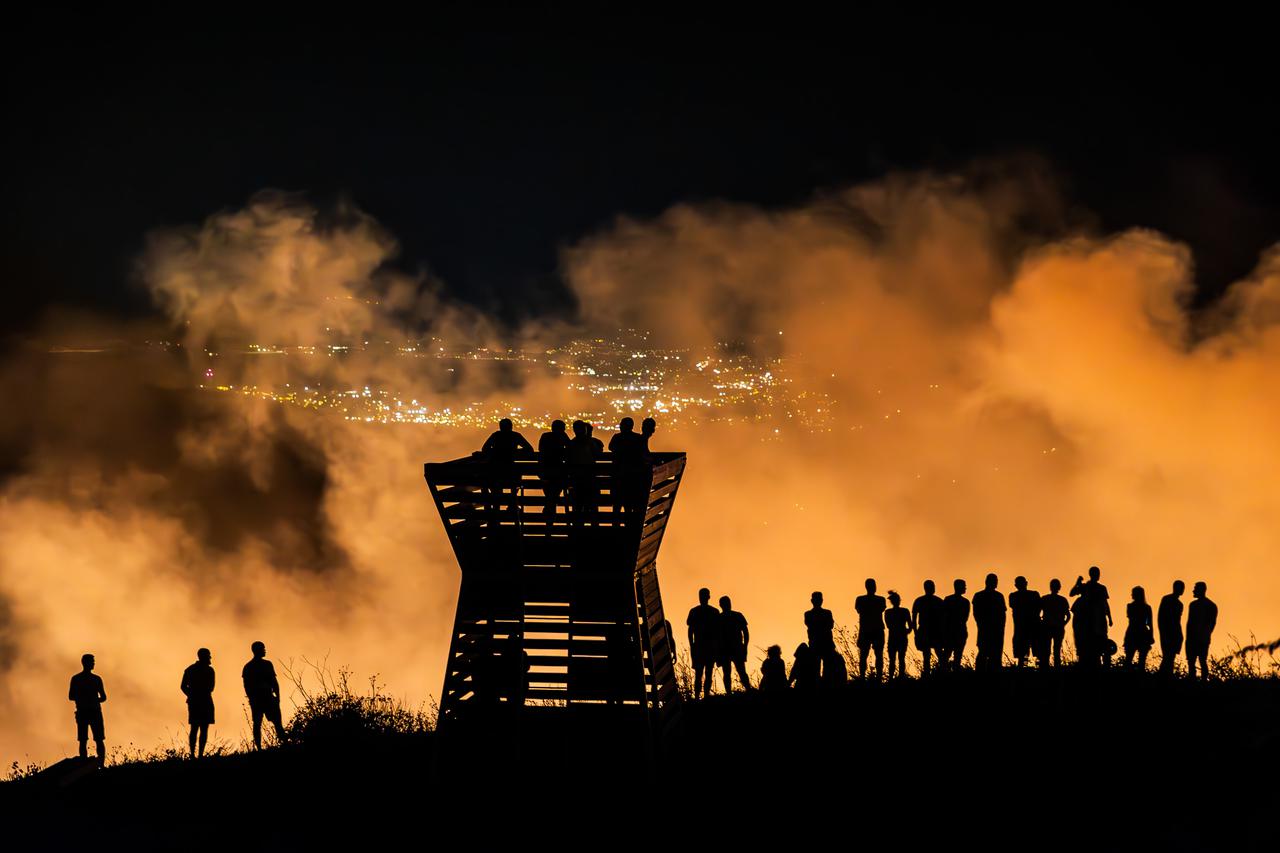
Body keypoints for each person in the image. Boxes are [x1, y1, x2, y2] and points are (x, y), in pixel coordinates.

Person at [481, 418, 534, 512]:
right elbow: (529, 449)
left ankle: (496, 508)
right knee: (515, 480)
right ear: (511, 426)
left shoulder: (495, 435)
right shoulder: (515, 436)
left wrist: (495, 452)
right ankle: (512, 503)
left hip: (495, 470)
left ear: (500, 427)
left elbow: (484, 449)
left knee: (496, 487)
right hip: (510, 470)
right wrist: (515, 452)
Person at [243, 641, 287, 750]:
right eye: (263, 648)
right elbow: (274, 682)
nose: (264, 650)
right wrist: (277, 698)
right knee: (269, 723)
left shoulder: (249, 666)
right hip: (264, 699)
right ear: (257, 650)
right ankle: (281, 745)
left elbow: (247, 687)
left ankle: (261, 748)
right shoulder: (265, 665)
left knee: (261, 723)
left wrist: (277, 697)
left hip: (262, 699)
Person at [68, 653, 106, 766]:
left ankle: (100, 764)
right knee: (85, 740)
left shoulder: (92, 679)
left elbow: (103, 697)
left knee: (95, 739)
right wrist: (90, 699)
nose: (93, 664)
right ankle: (86, 765)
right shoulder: (80, 679)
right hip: (86, 712)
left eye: (93, 662)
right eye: (92, 662)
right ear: (85, 663)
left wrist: (92, 700)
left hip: (91, 712)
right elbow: (71, 696)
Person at [1070, 566, 1112, 668]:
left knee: (1100, 643)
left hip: (1099, 620)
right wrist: (1078, 583)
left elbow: (1105, 603)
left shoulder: (1101, 588)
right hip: (1087, 621)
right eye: (1096, 573)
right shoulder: (1085, 587)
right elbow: (1071, 593)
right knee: (1088, 644)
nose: (1097, 575)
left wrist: (1110, 617)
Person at [607, 417, 646, 524]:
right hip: (632, 478)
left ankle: (616, 525)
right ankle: (628, 525)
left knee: (617, 506)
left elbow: (611, 447)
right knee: (628, 505)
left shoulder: (617, 437)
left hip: (618, 477)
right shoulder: (637, 438)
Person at [181, 648, 216, 758]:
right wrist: (192, 695)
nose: (210, 658)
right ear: (204, 656)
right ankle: (197, 754)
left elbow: (183, 687)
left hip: (197, 701)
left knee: (196, 728)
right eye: (208, 655)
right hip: (203, 701)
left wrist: (191, 695)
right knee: (200, 728)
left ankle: (196, 754)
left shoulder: (190, 669)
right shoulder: (209, 670)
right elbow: (211, 687)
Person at [568, 420, 603, 522]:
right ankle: (593, 527)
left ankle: (578, 528)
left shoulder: (571, 444)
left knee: (577, 506)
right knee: (592, 505)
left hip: (576, 480)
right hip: (589, 479)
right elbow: (597, 454)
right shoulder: (591, 443)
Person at [687, 588, 719, 699]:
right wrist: (692, 645)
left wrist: (692, 644)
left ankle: (703, 696)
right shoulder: (712, 612)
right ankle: (699, 696)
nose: (702, 598)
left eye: (703, 596)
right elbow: (690, 630)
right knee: (701, 673)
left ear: (708, 597)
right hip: (701, 647)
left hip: (706, 647)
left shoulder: (712, 612)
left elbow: (718, 631)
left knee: (705, 672)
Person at [972, 573, 1007, 672]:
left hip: (993, 629)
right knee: (984, 652)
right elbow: (976, 613)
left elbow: (1002, 614)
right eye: (995, 581)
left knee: (991, 654)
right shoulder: (983, 596)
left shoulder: (997, 596)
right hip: (987, 629)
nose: (996, 583)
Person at [717, 595, 751, 693]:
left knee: (738, 671)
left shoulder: (722, 618)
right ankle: (742, 691)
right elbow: (745, 632)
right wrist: (744, 646)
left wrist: (745, 645)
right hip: (728, 649)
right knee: (731, 672)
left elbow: (745, 632)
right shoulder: (733, 616)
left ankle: (745, 690)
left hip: (734, 648)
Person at [854, 578, 887, 680]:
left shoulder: (860, 600)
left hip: (867, 629)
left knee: (867, 655)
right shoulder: (880, 600)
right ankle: (874, 677)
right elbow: (881, 609)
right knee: (870, 655)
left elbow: (859, 610)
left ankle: (866, 677)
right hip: (873, 630)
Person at [911, 580, 945, 676]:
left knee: (930, 654)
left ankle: (933, 673)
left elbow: (914, 617)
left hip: (931, 630)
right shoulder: (938, 601)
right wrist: (916, 631)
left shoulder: (920, 600)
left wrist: (916, 631)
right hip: (929, 630)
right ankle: (935, 673)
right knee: (932, 654)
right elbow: (914, 617)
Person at [1185, 582, 1218, 681]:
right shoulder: (1210, 605)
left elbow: (1190, 623)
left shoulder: (1196, 605)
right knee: (1199, 661)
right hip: (1200, 638)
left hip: (1197, 638)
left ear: (1201, 590)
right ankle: (1198, 680)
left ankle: (1198, 680)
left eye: (1195, 589)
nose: (1193, 591)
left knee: (1197, 661)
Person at [537, 419, 570, 515]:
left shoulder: (545, 436)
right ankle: (550, 509)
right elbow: (570, 447)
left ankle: (549, 510)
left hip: (545, 471)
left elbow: (540, 449)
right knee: (555, 493)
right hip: (558, 471)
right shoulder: (562, 436)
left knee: (549, 493)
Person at [1008, 576, 1042, 668]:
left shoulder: (1014, 596)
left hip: (1025, 628)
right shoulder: (1033, 594)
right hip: (1029, 627)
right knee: (1028, 654)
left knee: (1027, 655)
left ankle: (1026, 670)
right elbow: (1039, 607)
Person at [804, 591, 836, 680]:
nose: (818, 601)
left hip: (824, 644)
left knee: (828, 669)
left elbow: (830, 625)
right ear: (812, 600)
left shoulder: (826, 612)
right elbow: (811, 625)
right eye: (817, 599)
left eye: (820, 599)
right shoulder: (809, 614)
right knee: (816, 669)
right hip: (817, 644)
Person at [1157, 580, 1185, 676]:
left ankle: (1166, 676)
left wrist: (1180, 636)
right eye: (1181, 588)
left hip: (1175, 633)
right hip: (1167, 633)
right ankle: (1163, 676)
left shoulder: (1180, 604)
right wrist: (1162, 632)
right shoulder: (1166, 599)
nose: (1182, 590)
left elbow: (1178, 621)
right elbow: (1161, 618)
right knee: (1167, 657)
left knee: (1170, 657)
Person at [1040, 579, 1071, 667]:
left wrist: (1041, 622)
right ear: (1059, 587)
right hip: (1057, 627)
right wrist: (1063, 624)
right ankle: (1056, 667)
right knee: (1056, 649)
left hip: (1048, 627)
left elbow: (1037, 612)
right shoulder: (1062, 600)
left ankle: (1045, 667)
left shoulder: (1045, 598)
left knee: (1047, 649)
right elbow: (1068, 616)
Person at [942, 579, 970, 671]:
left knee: (947, 654)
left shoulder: (948, 599)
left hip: (950, 631)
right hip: (959, 631)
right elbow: (965, 618)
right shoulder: (965, 602)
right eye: (964, 586)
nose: (965, 587)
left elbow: (944, 616)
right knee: (957, 656)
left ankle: (944, 672)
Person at [1123, 587, 1154, 670]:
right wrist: (1151, 636)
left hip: (1132, 632)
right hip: (1142, 633)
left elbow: (1132, 619)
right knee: (1141, 661)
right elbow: (1150, 624)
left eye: (1133, 593)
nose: (1131, 595)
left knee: (1129, 659)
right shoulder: (1147, 608)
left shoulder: (1130, 606)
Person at [884, 591, 912, 679]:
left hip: (893, 637)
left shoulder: (888, 612)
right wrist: (906, 631)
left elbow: (889, 626)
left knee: (893, 659)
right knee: (900, 659)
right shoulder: (904, 611)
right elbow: (910, 626)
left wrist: (906, 631)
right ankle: (900, 677)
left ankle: (892, 678)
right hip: (901, 637)